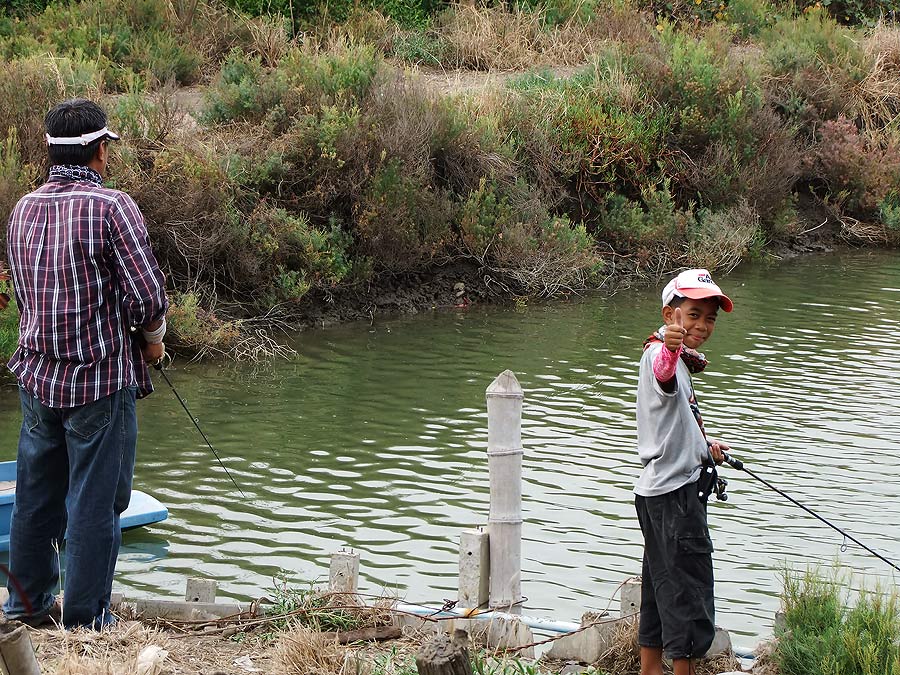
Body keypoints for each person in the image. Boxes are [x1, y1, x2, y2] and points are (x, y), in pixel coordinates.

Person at [3, 98, 168, 629]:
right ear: (99, 150)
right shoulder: (113, 206)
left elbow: (30, 297)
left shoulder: (22, 209)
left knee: (35, 501)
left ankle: (24, 613)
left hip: (37, 380)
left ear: (51, 151)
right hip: (99, 381)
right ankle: (84, 621)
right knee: (96, 506)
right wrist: (154, 341)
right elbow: (146, 298)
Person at [633, 268, 734, 675]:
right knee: (688, 595)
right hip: (676, 498)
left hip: (655, 493)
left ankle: (650, 669)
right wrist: (672, 347)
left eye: (710, 317)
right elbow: (663, 371)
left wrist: (704, 448)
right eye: (693, 314)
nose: (702, 325)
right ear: (669, 314)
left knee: (660, 589)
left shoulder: (677, 362)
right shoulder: (664, 356)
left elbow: (673, 419)